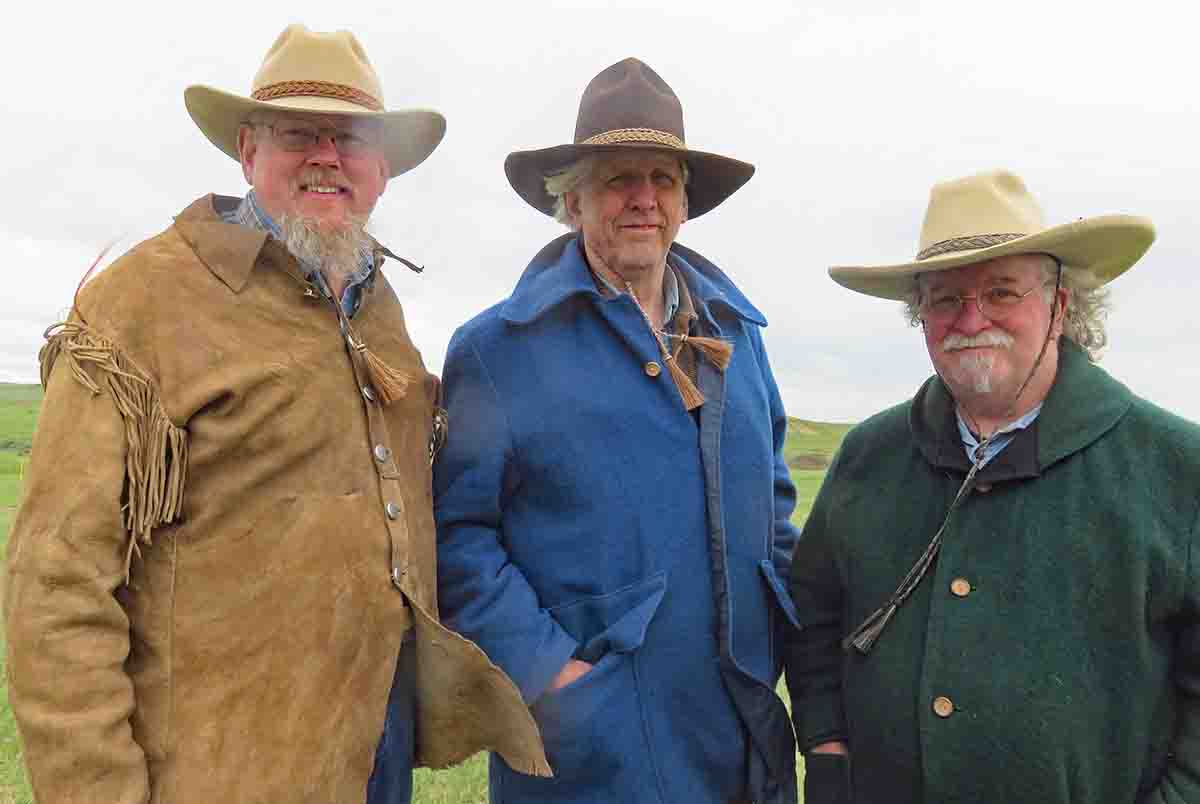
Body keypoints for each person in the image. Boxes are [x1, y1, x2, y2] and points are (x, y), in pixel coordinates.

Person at [4, 24, 547, 804]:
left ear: (383, 170)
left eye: (351, 137)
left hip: (372, 758)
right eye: (299, 133)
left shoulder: (378, 307)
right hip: (216, 774)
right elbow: (56, 586)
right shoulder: (140, 305)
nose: (327, 155)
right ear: (249, 151)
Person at [431, 57, 801, 804]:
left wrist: (780, 629)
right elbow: (456, 537)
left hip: (739, 739)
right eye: (617, 179)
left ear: (685, 203)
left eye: (661, 179)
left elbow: (775, 501)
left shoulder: (739, 338)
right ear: (572, 203)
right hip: (593, 759)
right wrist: (552, 675)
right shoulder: (499, 351)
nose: (643, 199)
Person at [787, 169, 1200, 803]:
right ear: (920, 316)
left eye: (1002, 291)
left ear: (1060, 306)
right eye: (946, 298)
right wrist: (827, 748)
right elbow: (814, 615)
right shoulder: (868, 457)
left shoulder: (1174, 467)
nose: (971, 319)